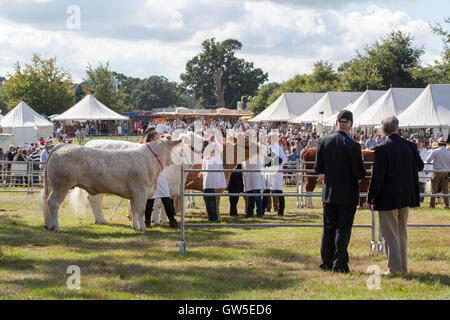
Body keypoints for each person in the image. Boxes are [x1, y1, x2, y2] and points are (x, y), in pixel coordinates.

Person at [368, 116, 424, 275]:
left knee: (390, 233)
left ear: (383, 129)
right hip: (405, 195)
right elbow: (420, 166)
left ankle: (394, 268)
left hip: (387, 197)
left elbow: (377, 177)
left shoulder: (381, 148)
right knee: (401, 231)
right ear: (397, 128)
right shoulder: (410, 146)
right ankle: (402, 266)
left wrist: (371, 197)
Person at [314, 110, 366, 273]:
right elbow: (360, 173)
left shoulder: (324, 141)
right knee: (343, 229)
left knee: (328, 227)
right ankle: (339, 264)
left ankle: (326, 262)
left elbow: (318, 168)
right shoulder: (352, 145)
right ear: (350, 124)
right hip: (347, 193)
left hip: (329, 192)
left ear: (337, 123)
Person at [143, 131, 178, 228]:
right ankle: (147, 222)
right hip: (151, 175)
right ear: (151, 140)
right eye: (157, 138)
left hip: (160, 175)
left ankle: (172, 221)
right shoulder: (146, 148)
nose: (159, 140)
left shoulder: (160, 149)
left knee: (166, 198)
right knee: (150, 200)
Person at [200, 138, 227, 222]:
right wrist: (201, 172)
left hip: (214, 180)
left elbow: (220, 147)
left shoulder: (217, 153)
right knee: (206, 198)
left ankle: (214, 218)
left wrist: (214, 140)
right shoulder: (205, 156)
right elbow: (204, 166)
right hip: (207, 180)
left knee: (212, 199)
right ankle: (210, 217)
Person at [263, 132, 287, 216]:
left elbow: (284, 159)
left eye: (269, 138)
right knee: (266, 191)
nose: (267, 139)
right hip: (268, 172)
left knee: (278, 191)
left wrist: (275, 162)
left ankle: (281, 210)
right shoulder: (268, 148)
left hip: (276, 173)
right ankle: (262, 210)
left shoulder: (279, 148)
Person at [242, 146, 265, 218]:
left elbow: (248, 165)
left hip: (255, 178)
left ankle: (259, 213)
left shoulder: (255, 156)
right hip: (250, 178)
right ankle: (250, 213)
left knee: (256, 196)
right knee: (251, 197)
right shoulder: (252, 155)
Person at [426, 137, 450, 209]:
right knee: (445, 190)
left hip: (436, 172)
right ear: (445, 144)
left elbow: (428, 160)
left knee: (433, 190)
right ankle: (447, 205)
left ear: (438, 144)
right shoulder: (448, 152)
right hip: (445, 172)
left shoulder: (435, 151)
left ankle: (432, 205)